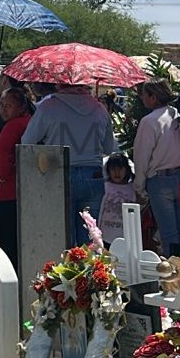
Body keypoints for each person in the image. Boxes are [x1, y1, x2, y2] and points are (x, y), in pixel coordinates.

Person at [21, 83, 119, 246]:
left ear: (59, 84)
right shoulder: (99, 109)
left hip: (59, 174)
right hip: (93, 176)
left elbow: (27, 141)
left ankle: (67, 270)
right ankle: (91, 271)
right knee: (90, 235)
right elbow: (109, 148)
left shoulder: (48, 107)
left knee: (63, 235)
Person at [133, 79, 180, 256]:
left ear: (153, 97)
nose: (142, 99)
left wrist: (139, 188)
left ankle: (171, 275)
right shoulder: (177, 115)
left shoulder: (149, 122)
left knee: (167, 234)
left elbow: (142, 156)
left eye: (144, 95)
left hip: (159, 180)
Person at [0, 87, 32, 267]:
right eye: (1, 105)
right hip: (23, 188)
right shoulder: (29, 122)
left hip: (8, 188)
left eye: (9, 106)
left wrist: (0, 177)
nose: (3, 110)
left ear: (21, 107)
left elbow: (2, 152)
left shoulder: (14, 125)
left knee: (10, 238)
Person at [98, 155, 136, 245]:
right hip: (106, 235)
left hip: (126, 235)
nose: (117, 173)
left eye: (120, 169)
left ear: (126, 170)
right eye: (113, 169)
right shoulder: (105, 187)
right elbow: (100, 211)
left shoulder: (133, 189)